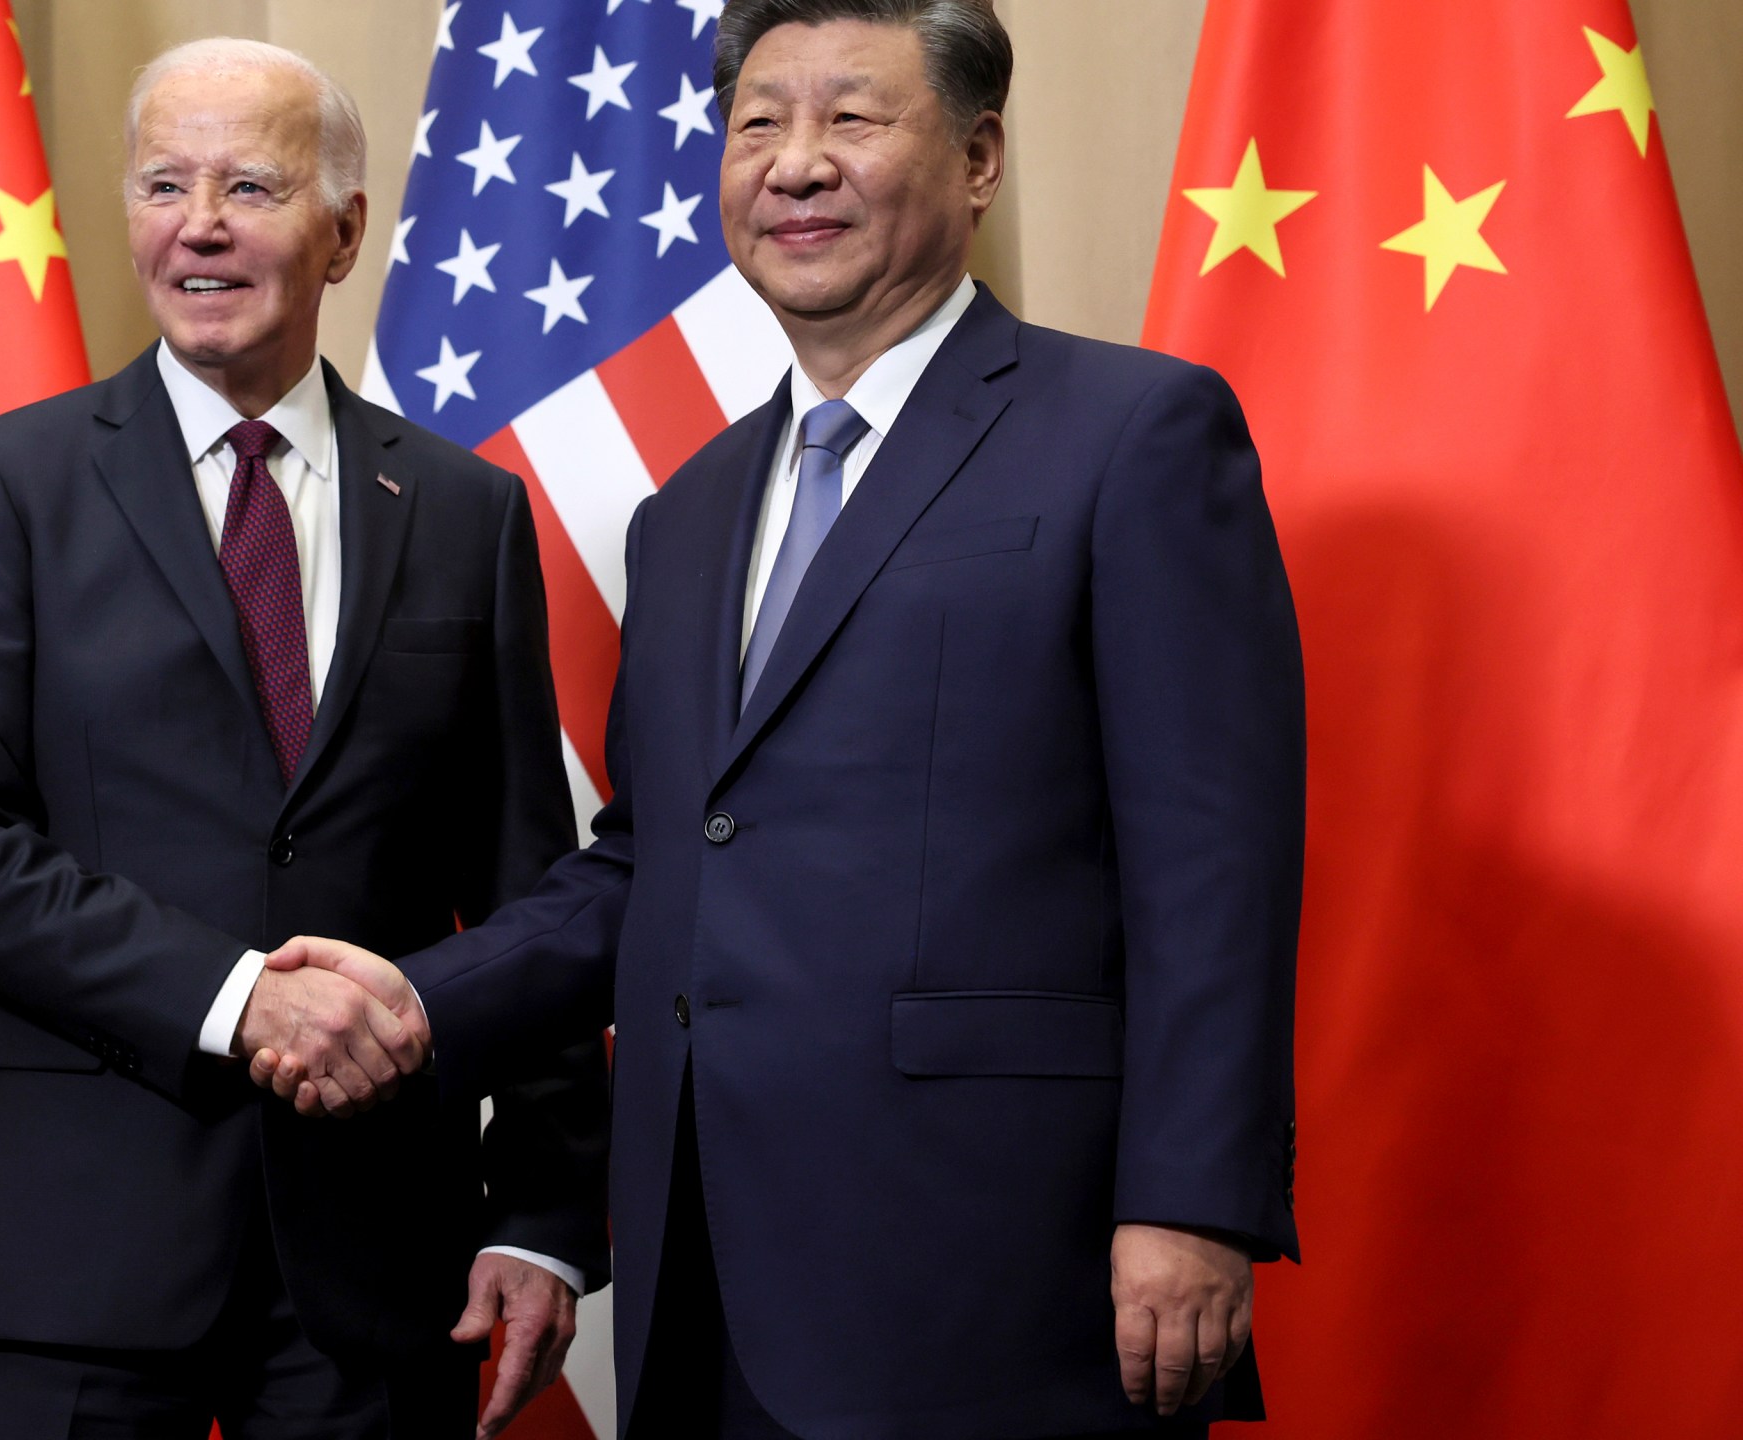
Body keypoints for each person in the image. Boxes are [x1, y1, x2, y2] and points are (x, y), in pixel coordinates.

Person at [258, 3, 1304, 1437]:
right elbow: (657, 859)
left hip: (1004, 1276)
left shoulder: (1134, 434)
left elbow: (1213, 861)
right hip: (706, 1273)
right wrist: (415, 998)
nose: (794, 164)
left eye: (853, 119)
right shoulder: (685, 515)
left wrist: (1194, 1204)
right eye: (757, 124)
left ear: (981, 157)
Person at [0, 38, 606, 1440]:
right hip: (76, 1254)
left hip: (380, 1261)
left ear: (343, 232)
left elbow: (532, 891)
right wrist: (236, 997)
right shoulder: (7, 485)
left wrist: (543, 1215)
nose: (198, 222)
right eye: (164, 183)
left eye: (250, 185)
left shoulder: (466, 513)